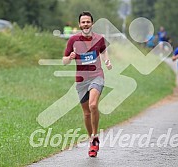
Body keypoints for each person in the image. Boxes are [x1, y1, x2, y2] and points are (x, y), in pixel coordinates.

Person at [63, 11, 112, 157]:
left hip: (97, 76)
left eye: (88, 22)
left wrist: (107, 61)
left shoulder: (99, 39)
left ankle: (95, 135)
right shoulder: (73, 40)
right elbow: (64, 61)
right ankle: (92, 140)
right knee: (86, 113)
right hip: (81, 80)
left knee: (93, 105)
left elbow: (103, 51)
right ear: (79, 24)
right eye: (83, 22)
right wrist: (70, 57)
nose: (85, 24)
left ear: (92, 23)